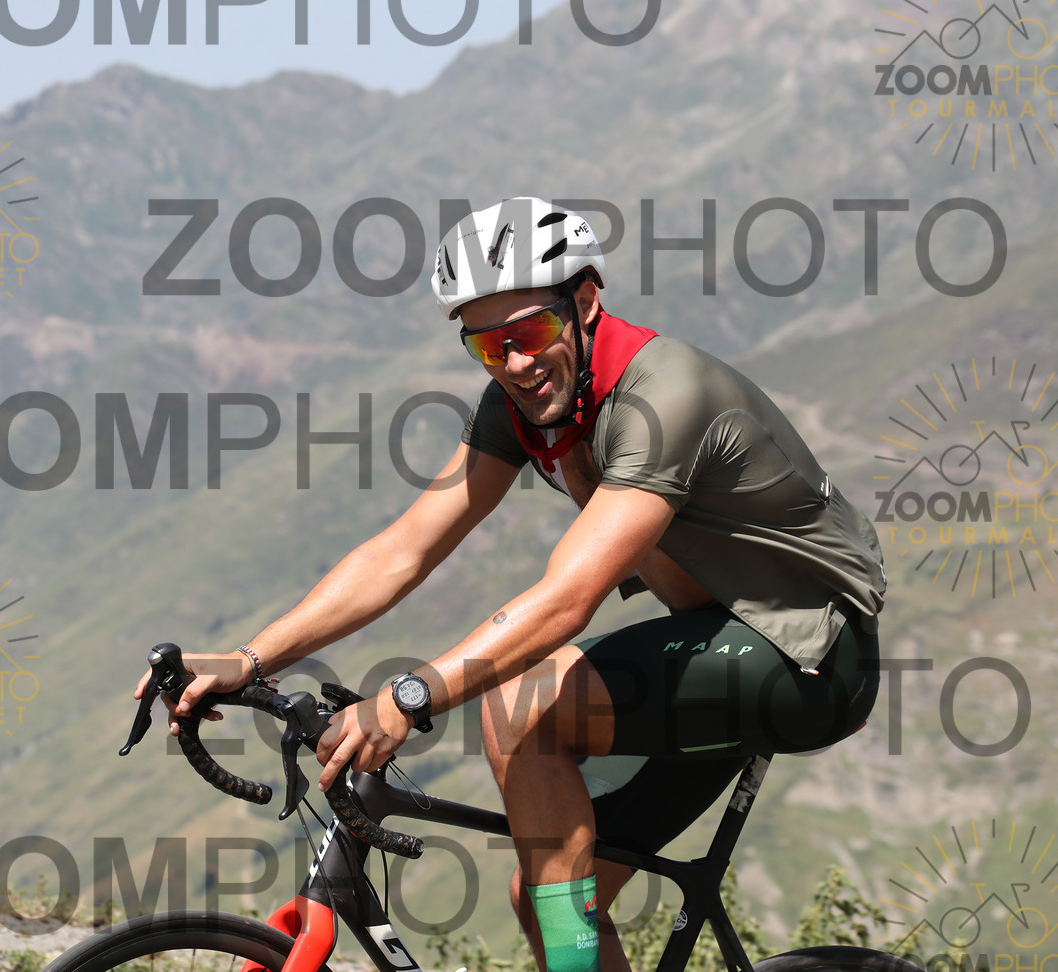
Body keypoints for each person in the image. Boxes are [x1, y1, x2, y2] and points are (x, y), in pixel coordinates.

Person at [137, 197, 885, 972]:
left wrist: (408, 697)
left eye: (531, 332)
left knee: (520, 708)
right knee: (548, 897)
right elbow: (401, 552)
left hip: (811, 657)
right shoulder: (526, 405)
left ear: (585, 301)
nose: (516, 364)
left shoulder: (664, 397)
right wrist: (250, 658)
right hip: (712, 650)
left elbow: (568, 599)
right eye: (489, 347)